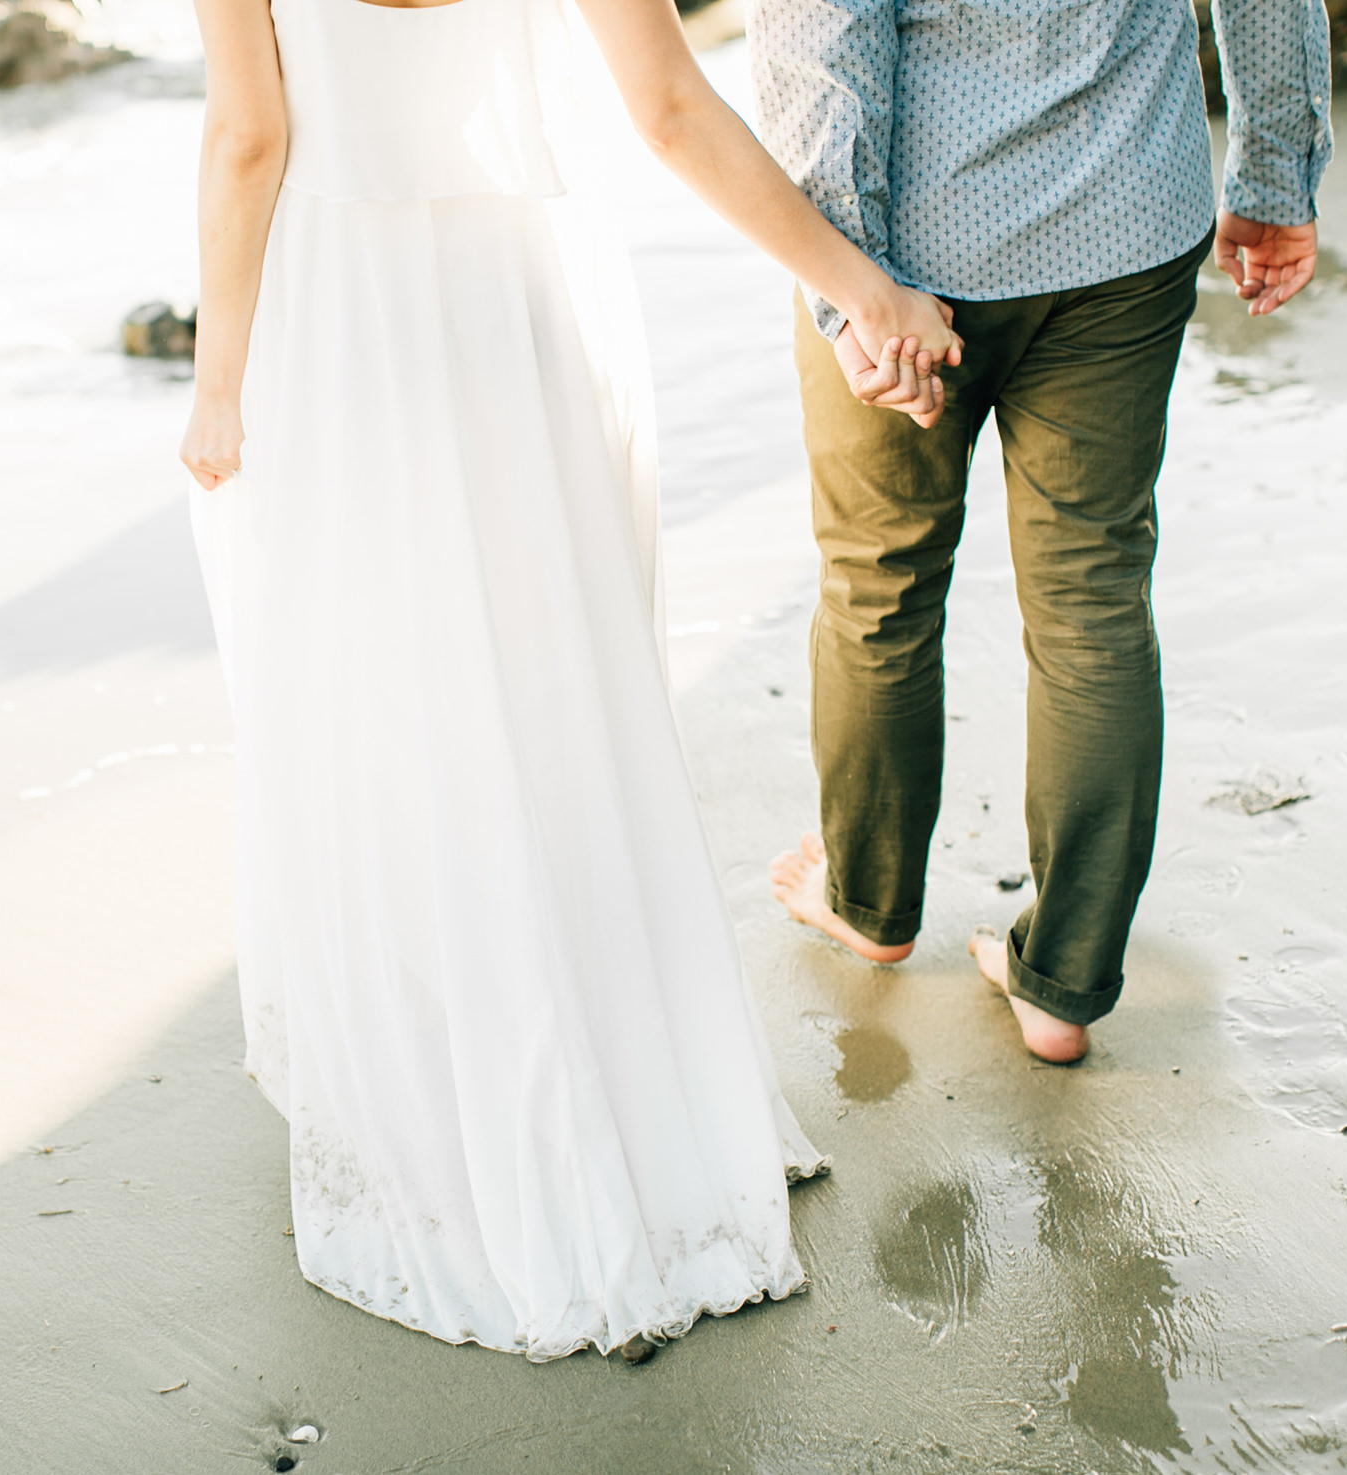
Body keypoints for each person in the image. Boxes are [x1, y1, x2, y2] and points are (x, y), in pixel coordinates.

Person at [179, 0, 963, 1361]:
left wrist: (217, 379)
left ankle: (467, 1090)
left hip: (342, 317)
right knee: (557, 702)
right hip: (524, 304)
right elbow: (669, 110)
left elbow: (251, 138)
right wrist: (862, 284)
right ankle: (650, 1096)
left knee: (401, 706)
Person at [755, 0, 1332, 1063]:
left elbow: (817, 38)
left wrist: (851, 291)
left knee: (878, 582)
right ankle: (1061, 984)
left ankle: (868, 905)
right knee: (1092, 599)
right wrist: (1271, 180)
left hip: (906, 244)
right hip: (1125, 220)